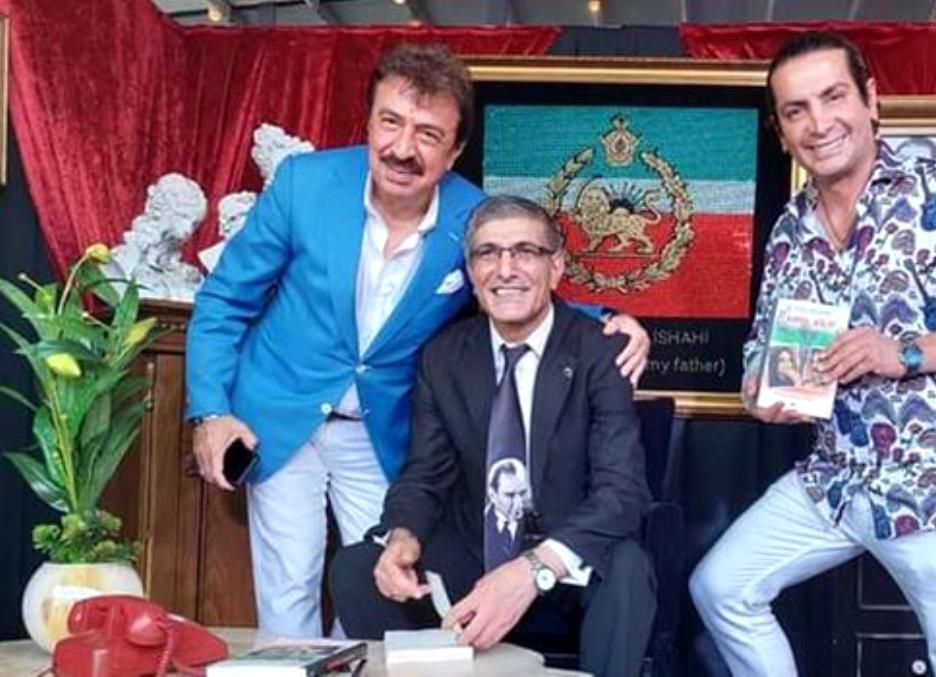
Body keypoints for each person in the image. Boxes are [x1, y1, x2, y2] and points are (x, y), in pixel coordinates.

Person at [185, 43, 649, 638]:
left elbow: (512, 283)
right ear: (368, 122)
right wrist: (211, 411)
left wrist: (610, 317)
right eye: (391, 122)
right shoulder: (304, 184)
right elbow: (224, 300)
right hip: (279, 414)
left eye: (428, 134)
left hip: (380, 432)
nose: (403, 149)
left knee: (377, 582)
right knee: (288, 590)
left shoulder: (470, 216)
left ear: (453, 151)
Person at [689, 32, 936, 677]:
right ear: (782, 130)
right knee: (722, 588)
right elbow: (765, 343)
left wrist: (906, 352)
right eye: (796, 110)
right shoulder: (790, 228)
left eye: (833, 97)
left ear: (870, 100)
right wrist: (761, 391)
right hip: (836, 481)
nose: (818, 123)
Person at [331, 196, 655, 677]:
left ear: (556, 267)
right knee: (357, 568)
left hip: (567, 562)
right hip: (476, 552)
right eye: (488, 253)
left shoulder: (601, 351)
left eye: (525, 251)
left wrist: (533, 570)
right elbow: (425, 474)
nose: (506, 269)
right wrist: (402, 536)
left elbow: (622, 492)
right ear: (471, 271)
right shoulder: (444, 356)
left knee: (628, 567)